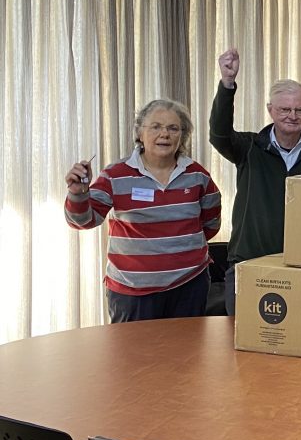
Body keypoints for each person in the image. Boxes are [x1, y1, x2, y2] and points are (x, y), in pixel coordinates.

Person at [65, 100, 221, 322]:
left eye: (173, 128)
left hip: (189, 286)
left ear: (182, 136)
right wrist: (78, 193)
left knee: (187, 356)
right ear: (139, 133)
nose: (164, 134)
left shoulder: (199, 176)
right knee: (133, 357)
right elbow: (83, 221)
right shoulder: (115, 175)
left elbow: (210, 224)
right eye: (155, 126)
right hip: (132, 293)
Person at [209, 48, 301, 315]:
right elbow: (219, 134)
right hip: (248, 263)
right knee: (240, 346)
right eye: (284, 109)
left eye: (299, 109)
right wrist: (227, 84)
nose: (292, 115)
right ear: (270, 110)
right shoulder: (249, 148)